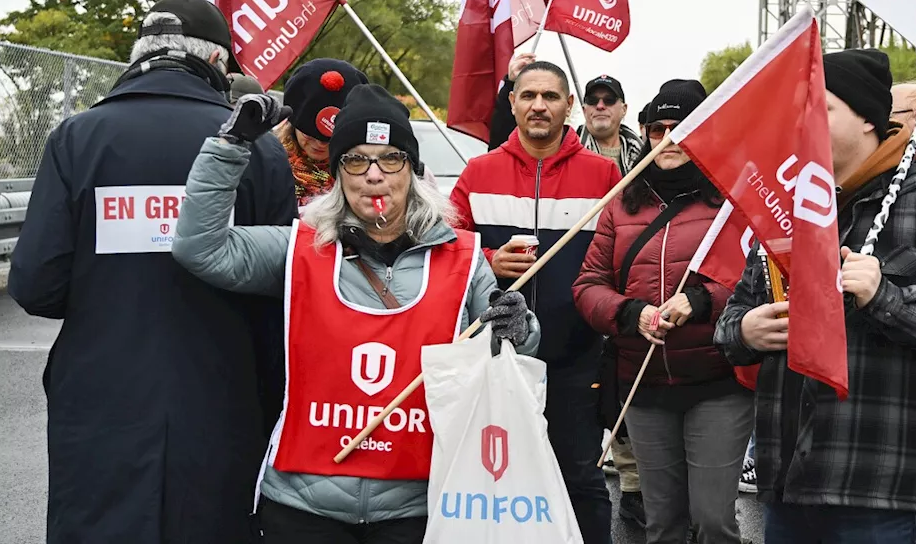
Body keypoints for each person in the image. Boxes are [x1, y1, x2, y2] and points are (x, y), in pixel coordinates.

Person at [171, 84, 539, 542]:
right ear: (338, 173)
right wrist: (230, 146)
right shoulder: (300, 248)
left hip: (416, 508)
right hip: (303, 506)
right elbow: (200, 249)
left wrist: (520, 325)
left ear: (414, 170)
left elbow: (510, 346)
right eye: (356, 160)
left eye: (390, 159)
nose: (373, 176)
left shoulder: (463, 258)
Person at [7, 0, 297, 543]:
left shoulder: (77, 138)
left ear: (138, 56)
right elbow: (282, 286)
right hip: (224, 400)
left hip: (101, 402)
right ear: (217, 63)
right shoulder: (256, 149)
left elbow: (36, 284)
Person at [714, 49, 916, 544]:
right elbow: (733, 317)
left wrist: (885, 297)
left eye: (821, 108)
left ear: (869, 120)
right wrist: (745, 330)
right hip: (788, 482)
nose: (803, 122)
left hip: (878, 491)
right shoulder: (792, 207)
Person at [450, 60, 622, 544]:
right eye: (529, 96)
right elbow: (445, 247)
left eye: (550, 96)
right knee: (497, 481)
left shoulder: (603, 173)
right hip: (496, 358)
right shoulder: (479, 172)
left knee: (580, 479)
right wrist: (487, 257)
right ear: (513, 104)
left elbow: (619, 255)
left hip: (575, 355)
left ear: (570, 106)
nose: (539, 106)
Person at [575, 79, 752, 544]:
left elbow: (757, 279)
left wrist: (700, 300)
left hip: (717, 382)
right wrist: (632, 313)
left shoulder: (737, 201)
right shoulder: (621, 204)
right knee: (662, 525)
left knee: (713, 519)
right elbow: (589, 285)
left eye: (683, 126)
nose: (669, 138)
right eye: (658, 128)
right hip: (645, 385)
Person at [488, 52, 643, 172]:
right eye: (592, 100)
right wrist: (511, 83)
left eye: (609, 100)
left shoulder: (647, 157)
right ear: (583, 109)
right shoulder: (560, 148)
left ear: (624, 109)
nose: (600, 106)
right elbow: (502, 146)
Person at [274, 58, 370, 208]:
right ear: (293, 126)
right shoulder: (270, 164)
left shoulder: (368, 174)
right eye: (310, 136)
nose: (320, 144)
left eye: (330, 140)